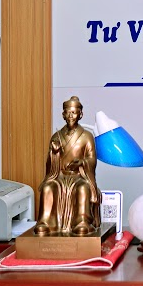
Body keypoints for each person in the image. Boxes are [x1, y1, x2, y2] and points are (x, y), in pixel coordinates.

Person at [34, 96, 102, 236]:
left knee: (83, 188)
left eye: (74, 112)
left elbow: (92, 159)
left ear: (80, 115)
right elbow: (49, 164)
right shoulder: (56, 136)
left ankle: (82, 221)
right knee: (48, 187)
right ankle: (46, 222)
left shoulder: (87, 136)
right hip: (59, 176)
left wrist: (82, 162)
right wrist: (54, 153)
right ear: (63, 115)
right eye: (68, 112)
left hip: (79, 176)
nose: (71, 116)